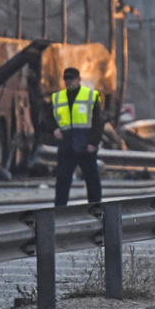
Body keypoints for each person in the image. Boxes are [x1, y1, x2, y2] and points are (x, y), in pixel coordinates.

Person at [51, 67, 103, 207]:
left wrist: (93, 142)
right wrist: (54, 130)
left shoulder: (90, 96)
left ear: (79, 79)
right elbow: (49, 119)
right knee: (62, 182)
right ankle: (60, 211)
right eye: (66, 79)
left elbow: (98, 122)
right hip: (66, 147)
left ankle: (96, 208)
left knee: (92, 181)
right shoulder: (58, 97)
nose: (69, 82)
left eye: (71, 79)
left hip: (85, 147)